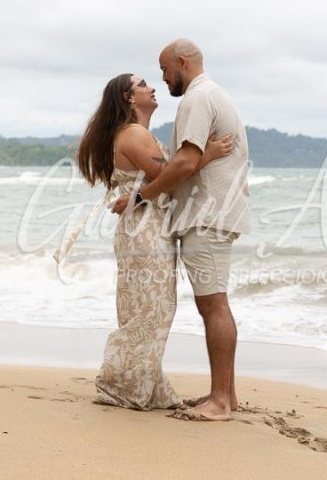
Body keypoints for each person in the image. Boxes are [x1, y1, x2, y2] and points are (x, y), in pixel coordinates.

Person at [111, 40, 251, 421]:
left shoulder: (195, 99)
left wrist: (139, 197)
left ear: (182, 63)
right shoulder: (211, 95)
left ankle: (221, 402)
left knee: (213, 304)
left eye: (164, 69)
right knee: (213, 303)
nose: (162, 78)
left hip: (206, 213)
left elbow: (185, 162)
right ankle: (227, 395)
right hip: (213, 211)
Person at [76, 72, 232, 410]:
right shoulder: (133, 134)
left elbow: (162, 175)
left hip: (143, 229)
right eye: (143, 84)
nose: (152, 87)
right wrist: (208, 154)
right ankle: (122, 384)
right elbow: (169, 175)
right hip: (146, 233)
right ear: (129, 98)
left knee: (146, 309)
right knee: (151, 311)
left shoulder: (135, 134)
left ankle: (141, 384)